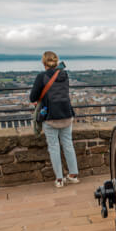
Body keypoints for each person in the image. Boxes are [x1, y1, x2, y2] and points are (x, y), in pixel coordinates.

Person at [30, 51, 80, 188]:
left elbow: (32, 97)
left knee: (54, 147)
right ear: (56, 61)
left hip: (51, 116)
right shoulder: (64, 74)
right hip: (66, 114)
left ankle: (59, 179)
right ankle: (73, 175)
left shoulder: (42, 76)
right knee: (68, 144)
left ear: (44, 62)